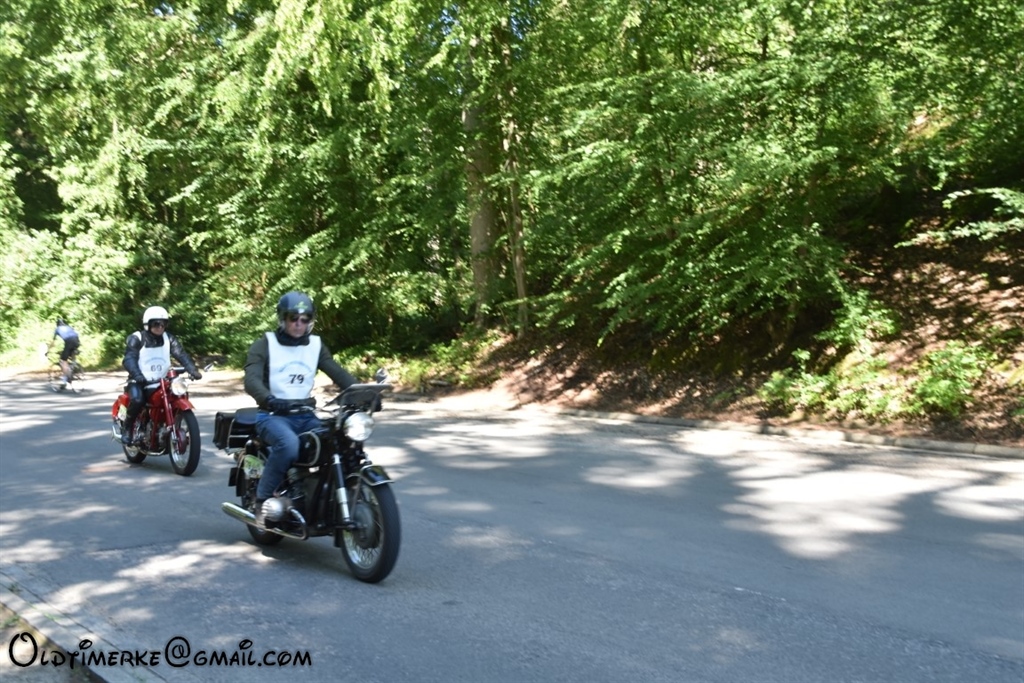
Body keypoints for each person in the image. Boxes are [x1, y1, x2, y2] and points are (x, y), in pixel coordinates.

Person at [244, 291, 357, 524]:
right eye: (293, 318)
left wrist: (362, 393)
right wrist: (268, 399)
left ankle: (321, 497)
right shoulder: (264, 344)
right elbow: (251, 379)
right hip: (272, 415)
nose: (298, 323)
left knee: (338, 441)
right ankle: (261, 500)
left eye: (304, 319)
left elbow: (337, 372)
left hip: (305, 415)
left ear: (310, 321)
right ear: (282, 319)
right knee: (288, 445)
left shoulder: (315, 345)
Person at [121, 305, 202, 445]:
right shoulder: (137, 338)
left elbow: (181, 354)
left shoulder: (168, 338)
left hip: (163, 381)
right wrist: (137, 375)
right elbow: (129, 359)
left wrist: (192, 370)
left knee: (178, 395)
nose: (160, 327)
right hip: (140, 380)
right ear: (147, 324)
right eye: (156, 324)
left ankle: (167, 425)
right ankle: (127, 429)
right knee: (138, 400)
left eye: (163, 324)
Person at [47, 318, 80, 387]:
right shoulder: (68, 327)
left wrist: (48, 351)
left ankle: (65, 381)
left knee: (63, 361)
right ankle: (73, 368)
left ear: (57, 324)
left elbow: (53, 342)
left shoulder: (57, 329)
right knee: (72, 354)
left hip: (69, 342)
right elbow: (75, 334)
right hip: (77, 341)